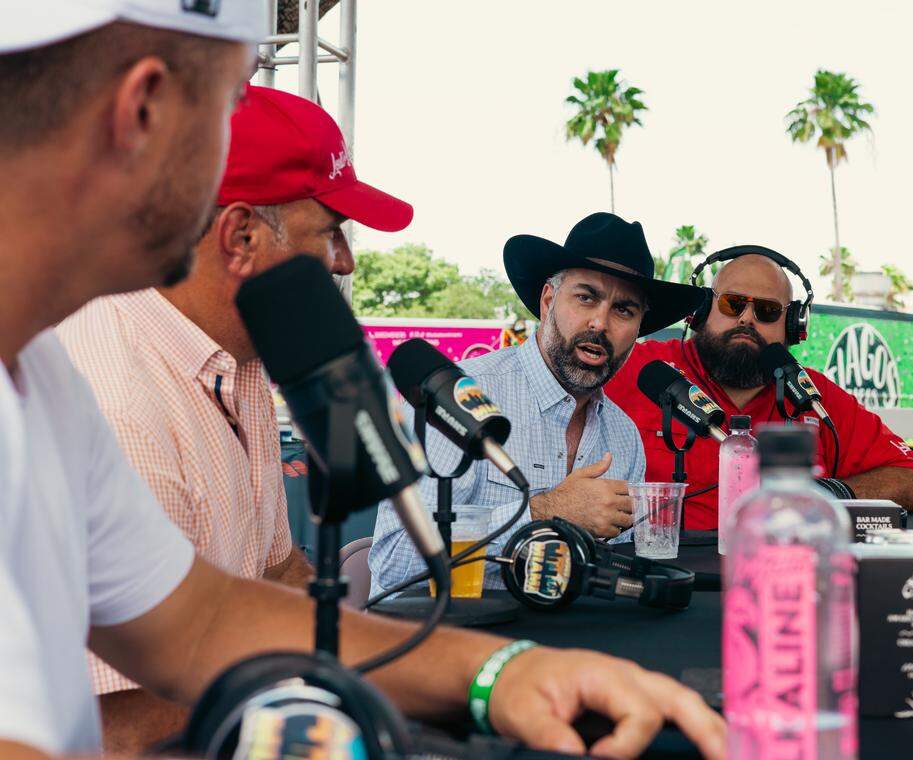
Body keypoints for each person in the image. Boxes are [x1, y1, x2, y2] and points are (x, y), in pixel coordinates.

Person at [0, 8, 725, 760]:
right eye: (229, 104)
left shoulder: (61, 373)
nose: (346, 262)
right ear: (143, 113)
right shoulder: (111, 384)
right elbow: (118, 730)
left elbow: (204, 620)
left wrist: (501, 674)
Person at [55, 84, 418, 753]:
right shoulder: (114, 400)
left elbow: (278, 576)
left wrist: (444, 673)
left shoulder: (242, 355)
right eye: (331, 233)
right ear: (241, 236)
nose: (346, 261)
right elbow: (125, 731)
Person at [370, 212, 706, 596]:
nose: (600, 322)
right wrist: (545, 513)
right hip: (444, 640)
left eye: (623, 310)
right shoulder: (460, 397)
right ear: (548, 301)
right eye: (586, 297)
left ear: (637, 330)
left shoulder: (624, 437)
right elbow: (395, 562)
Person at [606, 248, 913, 530]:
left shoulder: (815, 396)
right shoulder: (637, 368)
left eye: (767, 311)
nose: (747, 319)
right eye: (732, 304)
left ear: (794, 325)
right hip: (663, 572)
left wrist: (825, 496)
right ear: (700, 312)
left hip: (775, 570)